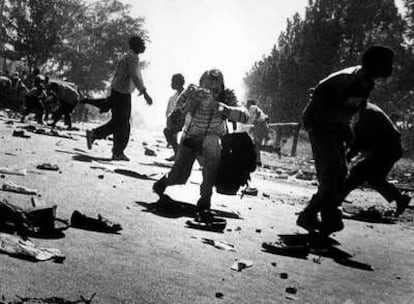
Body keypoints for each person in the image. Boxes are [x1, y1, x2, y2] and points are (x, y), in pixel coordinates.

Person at [297, 46, 394, 236]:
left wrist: (346, 128)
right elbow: (321, 98)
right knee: (332, 173)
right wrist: (335, 126)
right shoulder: (349, 79)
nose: (390, 68)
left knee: (340, 173)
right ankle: (311, 216)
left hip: (335, 125)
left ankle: (327, 216)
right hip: (320, 123)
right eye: (386, 64)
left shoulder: (367, 82)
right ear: (374, 64)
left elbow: (351, 106)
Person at [152, 69, 249, 222]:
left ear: (221, 87)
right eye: (206, 88)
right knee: (178, 177)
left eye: (215, 89)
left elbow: (245, 115)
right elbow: (171, 123)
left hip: (213, 139)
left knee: (212, 143)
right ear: (200, 85)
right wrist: (187, 106)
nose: (211, 92)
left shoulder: (227, 95)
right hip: (191, 139)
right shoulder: (190, 92)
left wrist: (220, 107)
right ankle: (162, 183)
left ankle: (205, 200)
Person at [85, 35, 153, 161]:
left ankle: (116, 151)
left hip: (119, 92)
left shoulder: (129, 57)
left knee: (121, 123)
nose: (144, 46)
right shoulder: (132, 58)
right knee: (121, 123)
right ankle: (98, 137)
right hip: (122, 93)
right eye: (142, 44)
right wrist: (144, 93)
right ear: (136, 45)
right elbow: (135, 76)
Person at [339, 102, 410, 216]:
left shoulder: (367, 113)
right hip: (389, 149)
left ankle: (334, 200)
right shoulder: (368, 110)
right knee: (374, 178)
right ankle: (400, 198)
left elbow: (360, 141)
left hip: (388, 149)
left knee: (359, 172)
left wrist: (347, 157)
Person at [164, 73, 185, 161]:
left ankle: (178, 154)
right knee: (167, 131)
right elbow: (168, 112)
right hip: (176, 122)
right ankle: (177, 153)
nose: (171, 84)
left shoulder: (186, 95)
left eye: (173, 82)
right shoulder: (173, 97)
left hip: (186, 122)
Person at [246, 99, 271, 166]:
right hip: (263, 126)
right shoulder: (258, 109)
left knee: (256, 144)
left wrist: (246, 126)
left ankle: (257, 161)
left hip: (260, 126)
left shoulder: (252, 107)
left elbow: (251, 119)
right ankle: (257, 160)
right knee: (257, 144)